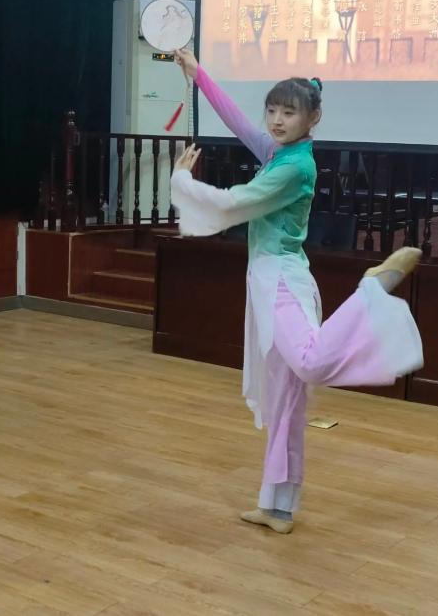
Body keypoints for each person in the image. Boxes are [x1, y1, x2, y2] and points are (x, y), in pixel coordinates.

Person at [170, 49, 423, 534]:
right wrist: (199, 74)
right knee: (286, 400)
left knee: (310, 364)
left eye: (289, 112)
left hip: (282, 281)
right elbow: (239, 122)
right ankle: (278, 508)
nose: (277, 120)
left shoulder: (295, 168)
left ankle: (372, 290)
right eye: (273, 110)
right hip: (272, 279)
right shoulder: (279, 153)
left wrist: (182, 179)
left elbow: (233, 203)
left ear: (313, 119)